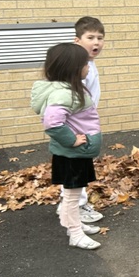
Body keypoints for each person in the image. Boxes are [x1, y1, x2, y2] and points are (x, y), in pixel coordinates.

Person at [32, 43, 104, 250]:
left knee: (72, 194)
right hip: (72, 154)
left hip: (77, 153)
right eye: (85, 64)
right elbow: (52, 123)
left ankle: (75, 225)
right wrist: (72, 141)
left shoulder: (70, 90)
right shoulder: (64, 94)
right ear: (72, 68)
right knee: (72, 198)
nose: (88, 68)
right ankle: (75, 233)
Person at [59, 16, 106, 223]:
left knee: (80, 166)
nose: (96, 42)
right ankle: (74, 208)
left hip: (84, 124)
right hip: (76, 127)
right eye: (90, 37)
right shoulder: (78, 67)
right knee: (75, 166)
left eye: (100, 38)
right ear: (77, 41)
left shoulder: (89, 63)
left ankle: (72, 205)